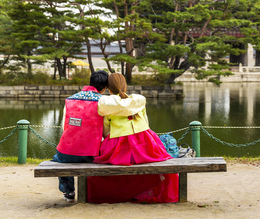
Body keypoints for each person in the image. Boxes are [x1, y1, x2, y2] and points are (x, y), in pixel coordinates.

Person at [86, 73, 178, 203]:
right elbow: (146, 123)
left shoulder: (106, 105)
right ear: (125, 86)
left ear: (109, 89)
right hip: (144, 141)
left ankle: (116, 194)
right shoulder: (138, 101)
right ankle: (144, 191)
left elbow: (106, 131)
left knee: (100, 163)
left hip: (118, 144)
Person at [52, 70, 108, 203]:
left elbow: (65, 127)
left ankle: (69, 191)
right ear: (105, 88)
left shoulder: (71, 99)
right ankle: (94, 191)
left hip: (68, 151)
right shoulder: (104, 102)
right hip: (92, 153)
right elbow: (106, 131)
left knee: (59, 157)